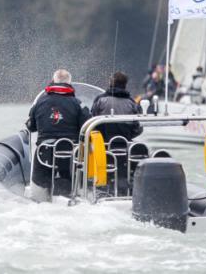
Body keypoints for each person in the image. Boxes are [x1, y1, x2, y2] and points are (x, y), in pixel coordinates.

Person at [26, 69, 90, 199]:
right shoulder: (77, 104)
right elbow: (87, 125)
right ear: (69, 82)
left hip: (44, 153)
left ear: (53, 81)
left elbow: (31, 127)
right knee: (72, 174)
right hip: (69, 153)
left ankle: (41, 198)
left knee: (39, 188)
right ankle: (72, 193)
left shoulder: (40, 102)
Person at [91, 72, 142, 141]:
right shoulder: (132, 103)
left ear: (110, 83)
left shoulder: (100, 99)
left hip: (103, 144)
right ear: (125, 84)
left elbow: (92, 120)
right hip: (126, 143)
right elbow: (137, 128)